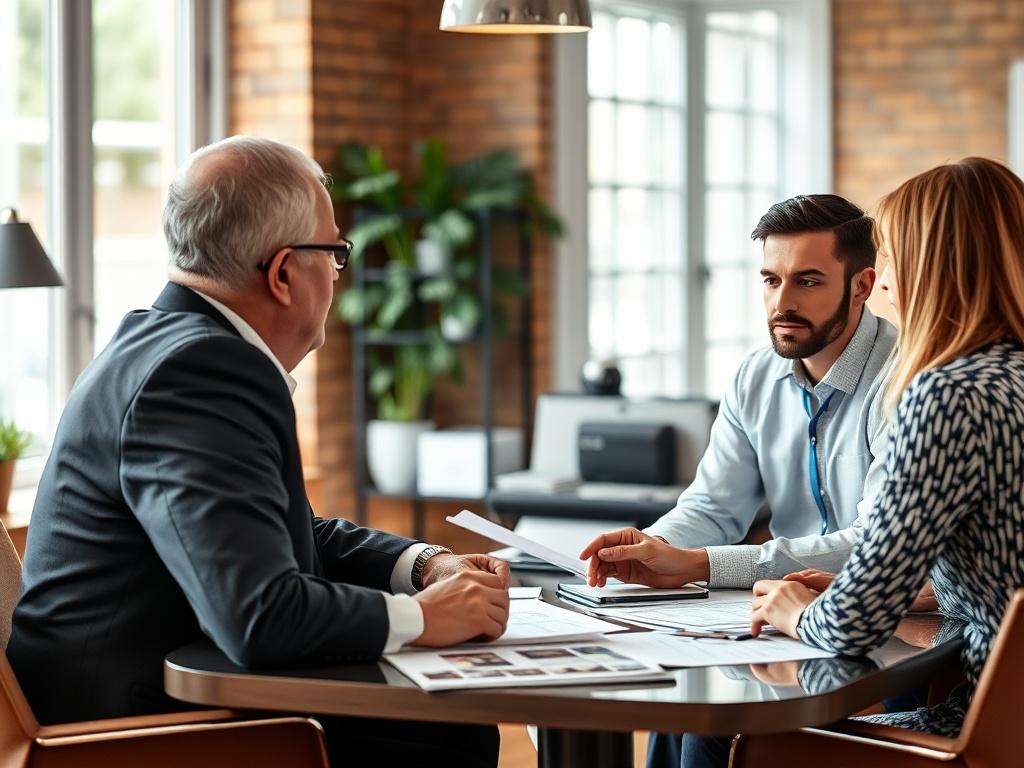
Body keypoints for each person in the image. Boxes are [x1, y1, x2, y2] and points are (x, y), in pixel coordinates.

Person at [7, 136, 509, 767]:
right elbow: (259, 616)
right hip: (127, 732)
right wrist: (422, 618)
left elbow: (280, 530)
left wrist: (422, 564)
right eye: (335, 253)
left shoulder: (168, 345)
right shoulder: (200, 371)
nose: (336, 273)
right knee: (452, 731)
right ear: (282, 272)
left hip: (145, 695)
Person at [579, 194, 898, 768]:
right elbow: (712, 504)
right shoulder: (756, 374)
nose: (782, 303)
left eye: (807, 282)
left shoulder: (903, 380)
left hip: (883, 624)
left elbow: (870, 546)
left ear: (861, 284)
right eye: (771, 280)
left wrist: (701, 564)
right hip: (778, 615)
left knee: (709, 728)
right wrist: (654, 546)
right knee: (672, 703)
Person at [752, 157, 1024, 742]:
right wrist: (899, 584)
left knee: (739, 734)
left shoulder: (949, 394)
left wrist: (793, 611)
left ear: (930, 268)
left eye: (892, 257)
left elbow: (852, 627)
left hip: (984, 733)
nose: (881, 283)